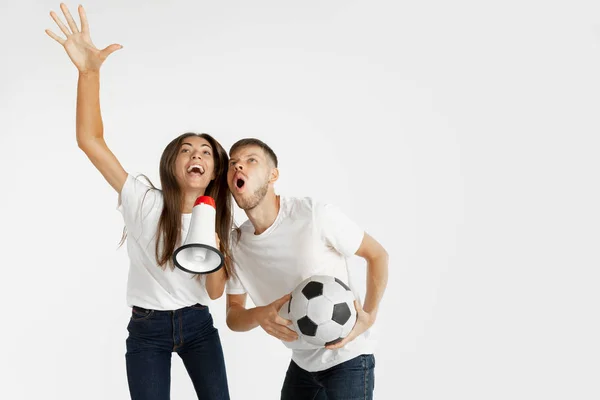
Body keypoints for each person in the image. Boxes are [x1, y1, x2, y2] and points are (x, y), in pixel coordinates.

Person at [46, 4, 231, 399]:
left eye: (205, 152)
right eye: (186, 150)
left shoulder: (220, 222)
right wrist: (89, 73)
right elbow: (90, 141)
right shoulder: (143, 200)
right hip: (147, 329)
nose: (196, 155)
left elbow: (215, 293)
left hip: (199, 326)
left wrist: (213, 240)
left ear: (214, 171)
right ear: (172, 162)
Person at [225, 138, 389, 399]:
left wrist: (369, 315)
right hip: (302, 364)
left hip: (348, 358)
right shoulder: (236, 244)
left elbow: (377, 255)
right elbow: (233, 316)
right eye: (233, 163)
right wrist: (260, 315)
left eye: (250, 160)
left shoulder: (313, 214)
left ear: (273, 175)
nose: (238, 167)